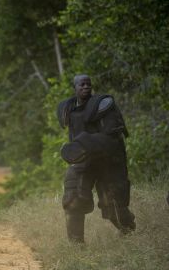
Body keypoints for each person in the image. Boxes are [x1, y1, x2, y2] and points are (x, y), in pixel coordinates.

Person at [58, 74, 136, 243]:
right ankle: (76, 244)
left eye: (88, 84)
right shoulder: (68, 108)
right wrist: (76, 150)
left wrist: (84, 143)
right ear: (75, 88)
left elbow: (113, 138)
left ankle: (128, 231)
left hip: (108, 159)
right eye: (82, 84)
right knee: (73, 199)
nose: (86, 87)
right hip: (83, 159)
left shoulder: (104, 105)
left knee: (114, 204)